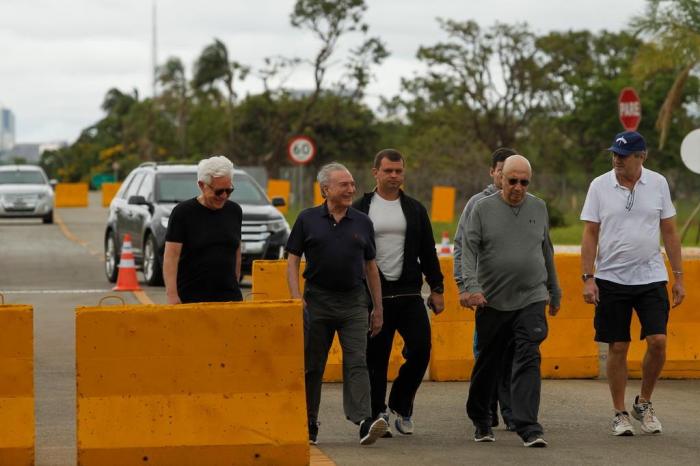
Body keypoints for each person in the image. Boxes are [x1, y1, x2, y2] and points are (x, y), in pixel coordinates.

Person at [580, 131, 685, 436]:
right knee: (618, 345)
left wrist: (678, 277)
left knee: (658, 341)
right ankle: (619, 412)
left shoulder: (658, 183)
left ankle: (644, 402)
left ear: (642, 157)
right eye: (614, 154)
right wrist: (588, 278)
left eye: (623, 156)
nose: (617, 160)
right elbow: (589, 234)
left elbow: (670, 232)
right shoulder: (599, 185)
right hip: (611, 278)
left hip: (651, 276)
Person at [286, 162, 389, 446]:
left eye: (352, 184)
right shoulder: (307, 219)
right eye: (344, 185)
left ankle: (364, 421)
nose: (351, 189)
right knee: (312, 366)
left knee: (357, 361)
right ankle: (308, 422)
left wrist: (377, 308)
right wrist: (296, 298)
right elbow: (292, 260)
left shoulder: (363, 222)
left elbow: (371, 267)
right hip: (316, 301)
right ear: (325, 189)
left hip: (354, 301)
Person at [462, 155, 561, 448]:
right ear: (500, 178)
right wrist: (471, 288)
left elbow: (547, 251)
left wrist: (554, 291)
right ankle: (481, 418)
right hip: (492, 300)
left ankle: (528, 425)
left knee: (528, 356)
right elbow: (467, 251)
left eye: (524, 182)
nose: (518, 187)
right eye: (512, 180)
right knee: (489, 362)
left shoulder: (539, 207)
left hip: (531, 297)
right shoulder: (482, 208)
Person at [353, 149, 445, 437]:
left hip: (408, 293)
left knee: (420, 349)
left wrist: (437, 287)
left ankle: (401, 404)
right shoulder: (360, 208)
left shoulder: (415, 209)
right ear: (375, 172)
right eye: (388, 171)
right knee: (376, 359)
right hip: (374, 295)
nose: (394, 176)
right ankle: (378, 411)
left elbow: (428, 251)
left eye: (398, 171)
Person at [454, 147, 517, 431]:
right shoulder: (476, 204)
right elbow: (461, 247)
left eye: (513, 172)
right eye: (502, 171)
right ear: (493, 172)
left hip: (517, 292)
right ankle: (486, 411)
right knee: (486, 352)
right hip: (485, 292)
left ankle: (513, 412)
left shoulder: (526, 204)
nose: (507, 177)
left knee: (515, 353)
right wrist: (464, 285)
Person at [163, 155, 243, 304]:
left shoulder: (235, 211)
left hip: (229, 298)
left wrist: (235, 282)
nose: (224, 196)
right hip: (191, 299)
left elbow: (236, 250)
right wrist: (172, 295)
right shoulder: (183, 213)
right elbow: (171, 257)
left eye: (229, 190)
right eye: (219, 191)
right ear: (201, 185)